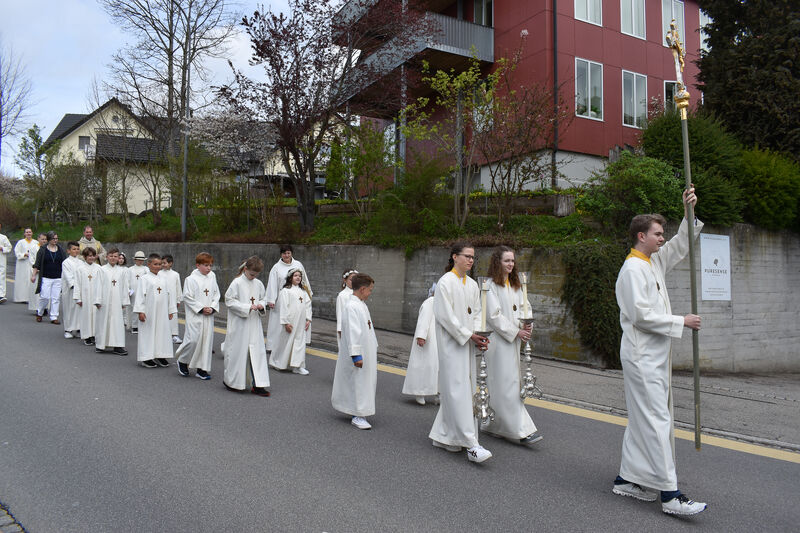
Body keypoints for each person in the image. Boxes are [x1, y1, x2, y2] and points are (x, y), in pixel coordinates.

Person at [612, 188, 707, 516]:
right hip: (641, 359)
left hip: (654, 358)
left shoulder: (652, 261)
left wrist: (688, 211)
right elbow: (641, 316)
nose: (662, 238)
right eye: (657, 234)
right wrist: (681, 321)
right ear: (642, 236)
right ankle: (670, 494)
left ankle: (627, 479)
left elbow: (681, 244)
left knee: (644, 419)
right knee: (657, 420)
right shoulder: (632, 270)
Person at [428, 242, 493, 463]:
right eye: (467, 256)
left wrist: (478, 334)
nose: (470, 260)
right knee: (456, 390)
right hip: (451, 345)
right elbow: (445, 316)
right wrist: (468, 335)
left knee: (464, 390)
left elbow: (477, 313)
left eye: (473, 257)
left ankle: (446, 436)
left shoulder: (473, 285)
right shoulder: (445, 282)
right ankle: (471, 444)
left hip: (467, 344)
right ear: (454, 257)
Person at [482, 246, 542, 445]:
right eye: (506, 260)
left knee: (509, 384)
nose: (510, 264)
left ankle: (495, 425)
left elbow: (526, 306)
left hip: (513, 342)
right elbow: (493, 316)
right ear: (497, 262)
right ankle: (520, 429)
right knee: (504, 384)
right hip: (499, 343)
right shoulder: (490, 285)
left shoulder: (516, 284)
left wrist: (527, 324)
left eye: (513, 261)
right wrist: (516, 331)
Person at [331, 273, 378, 430]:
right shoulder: (352, 306)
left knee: (363, 382)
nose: (370, 293)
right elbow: (353, 332)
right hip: (359, 354)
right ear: (362, 289)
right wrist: (356, 354)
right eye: (370, 290)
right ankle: (357, 415)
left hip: (367, 351)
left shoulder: (361, 304)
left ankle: (359, 410)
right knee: (358, 382)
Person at [222, 256, 271, 396]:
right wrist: (247, 307)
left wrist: (261, 305)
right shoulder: (236, 283)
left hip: (254, 324)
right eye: (251, 274)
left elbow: (264, 298)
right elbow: (229, 301)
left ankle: (258, 384)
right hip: (240, 324)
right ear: (245, 269)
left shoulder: (258, 284)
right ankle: (232, 382)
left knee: (257, 354)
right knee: (238, 353)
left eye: (256, 275)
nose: (253, 277)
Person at [176, 252, 220, 380]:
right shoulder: (190, 279)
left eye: (210, 265)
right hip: (195, 315)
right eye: (206, 265)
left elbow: (216, 294)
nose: (209, 268)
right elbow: (187, 297)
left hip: (208, 315)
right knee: (193, 340)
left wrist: (212, 307)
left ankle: (202, 369)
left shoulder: (212, 276)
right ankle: (183, 360)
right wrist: (201, 308)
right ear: (198, 265)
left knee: (206, 342)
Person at [133, 253, 176, 369]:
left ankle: (160, 355)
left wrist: (171, 310)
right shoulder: (144, 279)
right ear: (149, 264)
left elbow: (169, 295)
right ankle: (146, 357)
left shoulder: (163, 279)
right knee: (148, 333)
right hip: (149, 312)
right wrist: (140, 311)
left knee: (162, 333)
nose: (158, 266)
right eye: (155, 264)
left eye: (160, 264)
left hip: (162, 311)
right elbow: (140, 296)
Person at [265, 244, 311, 352]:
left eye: (288, 253)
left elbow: (304, 280)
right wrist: (271, 299)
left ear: (291, 253)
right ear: (281, 254)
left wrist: (308, 293)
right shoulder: (276, 268)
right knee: (278, 323)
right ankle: (274, 346)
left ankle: (295, 345)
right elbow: (272, 284)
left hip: (297, 297)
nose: (286, 255)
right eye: (284, 253)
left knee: (296, 320)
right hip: (282, 298)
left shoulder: (298, 264)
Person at [269, 268, 312, 375]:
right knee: (285, 342)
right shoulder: (286, 291)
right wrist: (286, 322)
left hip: (301, 322)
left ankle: (297, 366)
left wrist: (308, 319)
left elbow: (308, 305)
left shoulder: (303, 291)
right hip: (290, 321)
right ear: (290, 278)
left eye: (299, 276)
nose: (298, 277)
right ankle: (278, 362)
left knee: (299, 343)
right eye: (295, 275)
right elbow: (283, 307)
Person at [401, 283, 439, 405]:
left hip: (439, 339)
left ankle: (438, 393)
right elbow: (423, 320)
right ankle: (419, 392)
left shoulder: (444, 303)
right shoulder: (430, 302)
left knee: (437, 368)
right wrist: (421, 336)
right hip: (429, 338)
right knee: (424, 366)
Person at [94, 247, 130, 355]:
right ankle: (101, 345)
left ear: (118, 258)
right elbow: (98, 285)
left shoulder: (122, 271)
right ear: (106, 257)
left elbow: (125, 286)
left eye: (115, 256)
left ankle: (118, 345)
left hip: (117, 301)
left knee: (117, 323)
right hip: (104, 301)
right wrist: (98, 300)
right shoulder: (102, 269)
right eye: (111, 256)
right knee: (103, 322)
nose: (113, 258)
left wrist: (124, 301)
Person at [31, 232, 66, 324]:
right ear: (49, 239)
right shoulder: (43, 250)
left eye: (56, 238)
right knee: (44, 297)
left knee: (56, 298)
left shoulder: (60, 250)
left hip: (58, 277)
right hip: (46, 277)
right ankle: (40, 312)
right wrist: (33, 275)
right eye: (53, 238)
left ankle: (54, 316)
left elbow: (65, 263)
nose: (55, 240)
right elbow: (37, 264)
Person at [74, 247, 102, 346]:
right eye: (89, 256)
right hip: (85, 296)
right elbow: (77, 284)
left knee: (96, 316)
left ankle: (95, 335)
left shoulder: (99, 268)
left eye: (93, 256)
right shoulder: (80, 269)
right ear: (85, 257)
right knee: (86, 316)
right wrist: (78, 298)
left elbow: (102, 283)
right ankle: (87, 336)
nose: (91, 258)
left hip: (95, 296)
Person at [60, 241, 82, 339]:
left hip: (80, 289)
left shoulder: (81, 262)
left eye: (77, 249)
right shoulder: (66, 263)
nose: (76, 251)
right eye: (74, 249)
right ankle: (68, 329)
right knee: (69, 309)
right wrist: (74, 285)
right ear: (68, 251)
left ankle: (78, 328)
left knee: (79, 309)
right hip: (70, 290)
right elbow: (69, 277)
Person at [160, 254, 183, 344]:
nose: (163, 265)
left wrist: (178, 300)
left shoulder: (175, 274)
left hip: (172, 299)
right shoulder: (159, 273)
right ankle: (162, 335)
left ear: (170, 263)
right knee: (161, 316)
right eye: (162, 263)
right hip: (162, 298)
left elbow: (178, 288)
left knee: (173, 317)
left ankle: (174, 335)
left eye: (165, 263)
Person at [127, 251, 149, 333]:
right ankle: (134, 326)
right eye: (138, 260)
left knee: (142, 307)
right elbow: (127, 281)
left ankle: (142, 324)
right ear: (135, 260)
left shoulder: (146, 269)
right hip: (133, 290)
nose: (140, 261)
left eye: (141, 260)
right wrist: (129, 291)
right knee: (133, 307)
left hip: (143, 291)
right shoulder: (130, 269)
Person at [13, 228, 37, 303]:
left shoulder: (35, 242)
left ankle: (30, 298)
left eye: (30, 232)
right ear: (24, 234)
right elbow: (17, 252)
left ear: (32, 233)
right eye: (27, 232)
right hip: (22, 264)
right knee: (22, 281)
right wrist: (24, 254)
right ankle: (21, 298)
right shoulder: (20, 242)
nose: (28, 233)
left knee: (31, 280)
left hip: (32, 263)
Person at [336, 268, 358, 345]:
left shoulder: (358, 294)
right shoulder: (342, 295)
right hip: (346, 328)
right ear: (345, 280)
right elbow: (340, 313)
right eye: (351, 280)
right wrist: (340, 330)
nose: (354, 282)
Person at [28, 233, 47, 313]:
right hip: (36, 272)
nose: (44, 241)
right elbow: (32, 259)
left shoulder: (49, 248)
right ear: (38, 239)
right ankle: (37, 307)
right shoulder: (33, 248)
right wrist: (37, 268)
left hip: (46, 272)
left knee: (45, 290)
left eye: (45, 239)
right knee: (36, 290)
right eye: (42, 239)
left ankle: (45, 307)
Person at [0, 223, 10, 304]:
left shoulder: (3, 237)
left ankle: (1, 295)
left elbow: (9, 247)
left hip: (1, 260)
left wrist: (2, 248)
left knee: (1, 277)